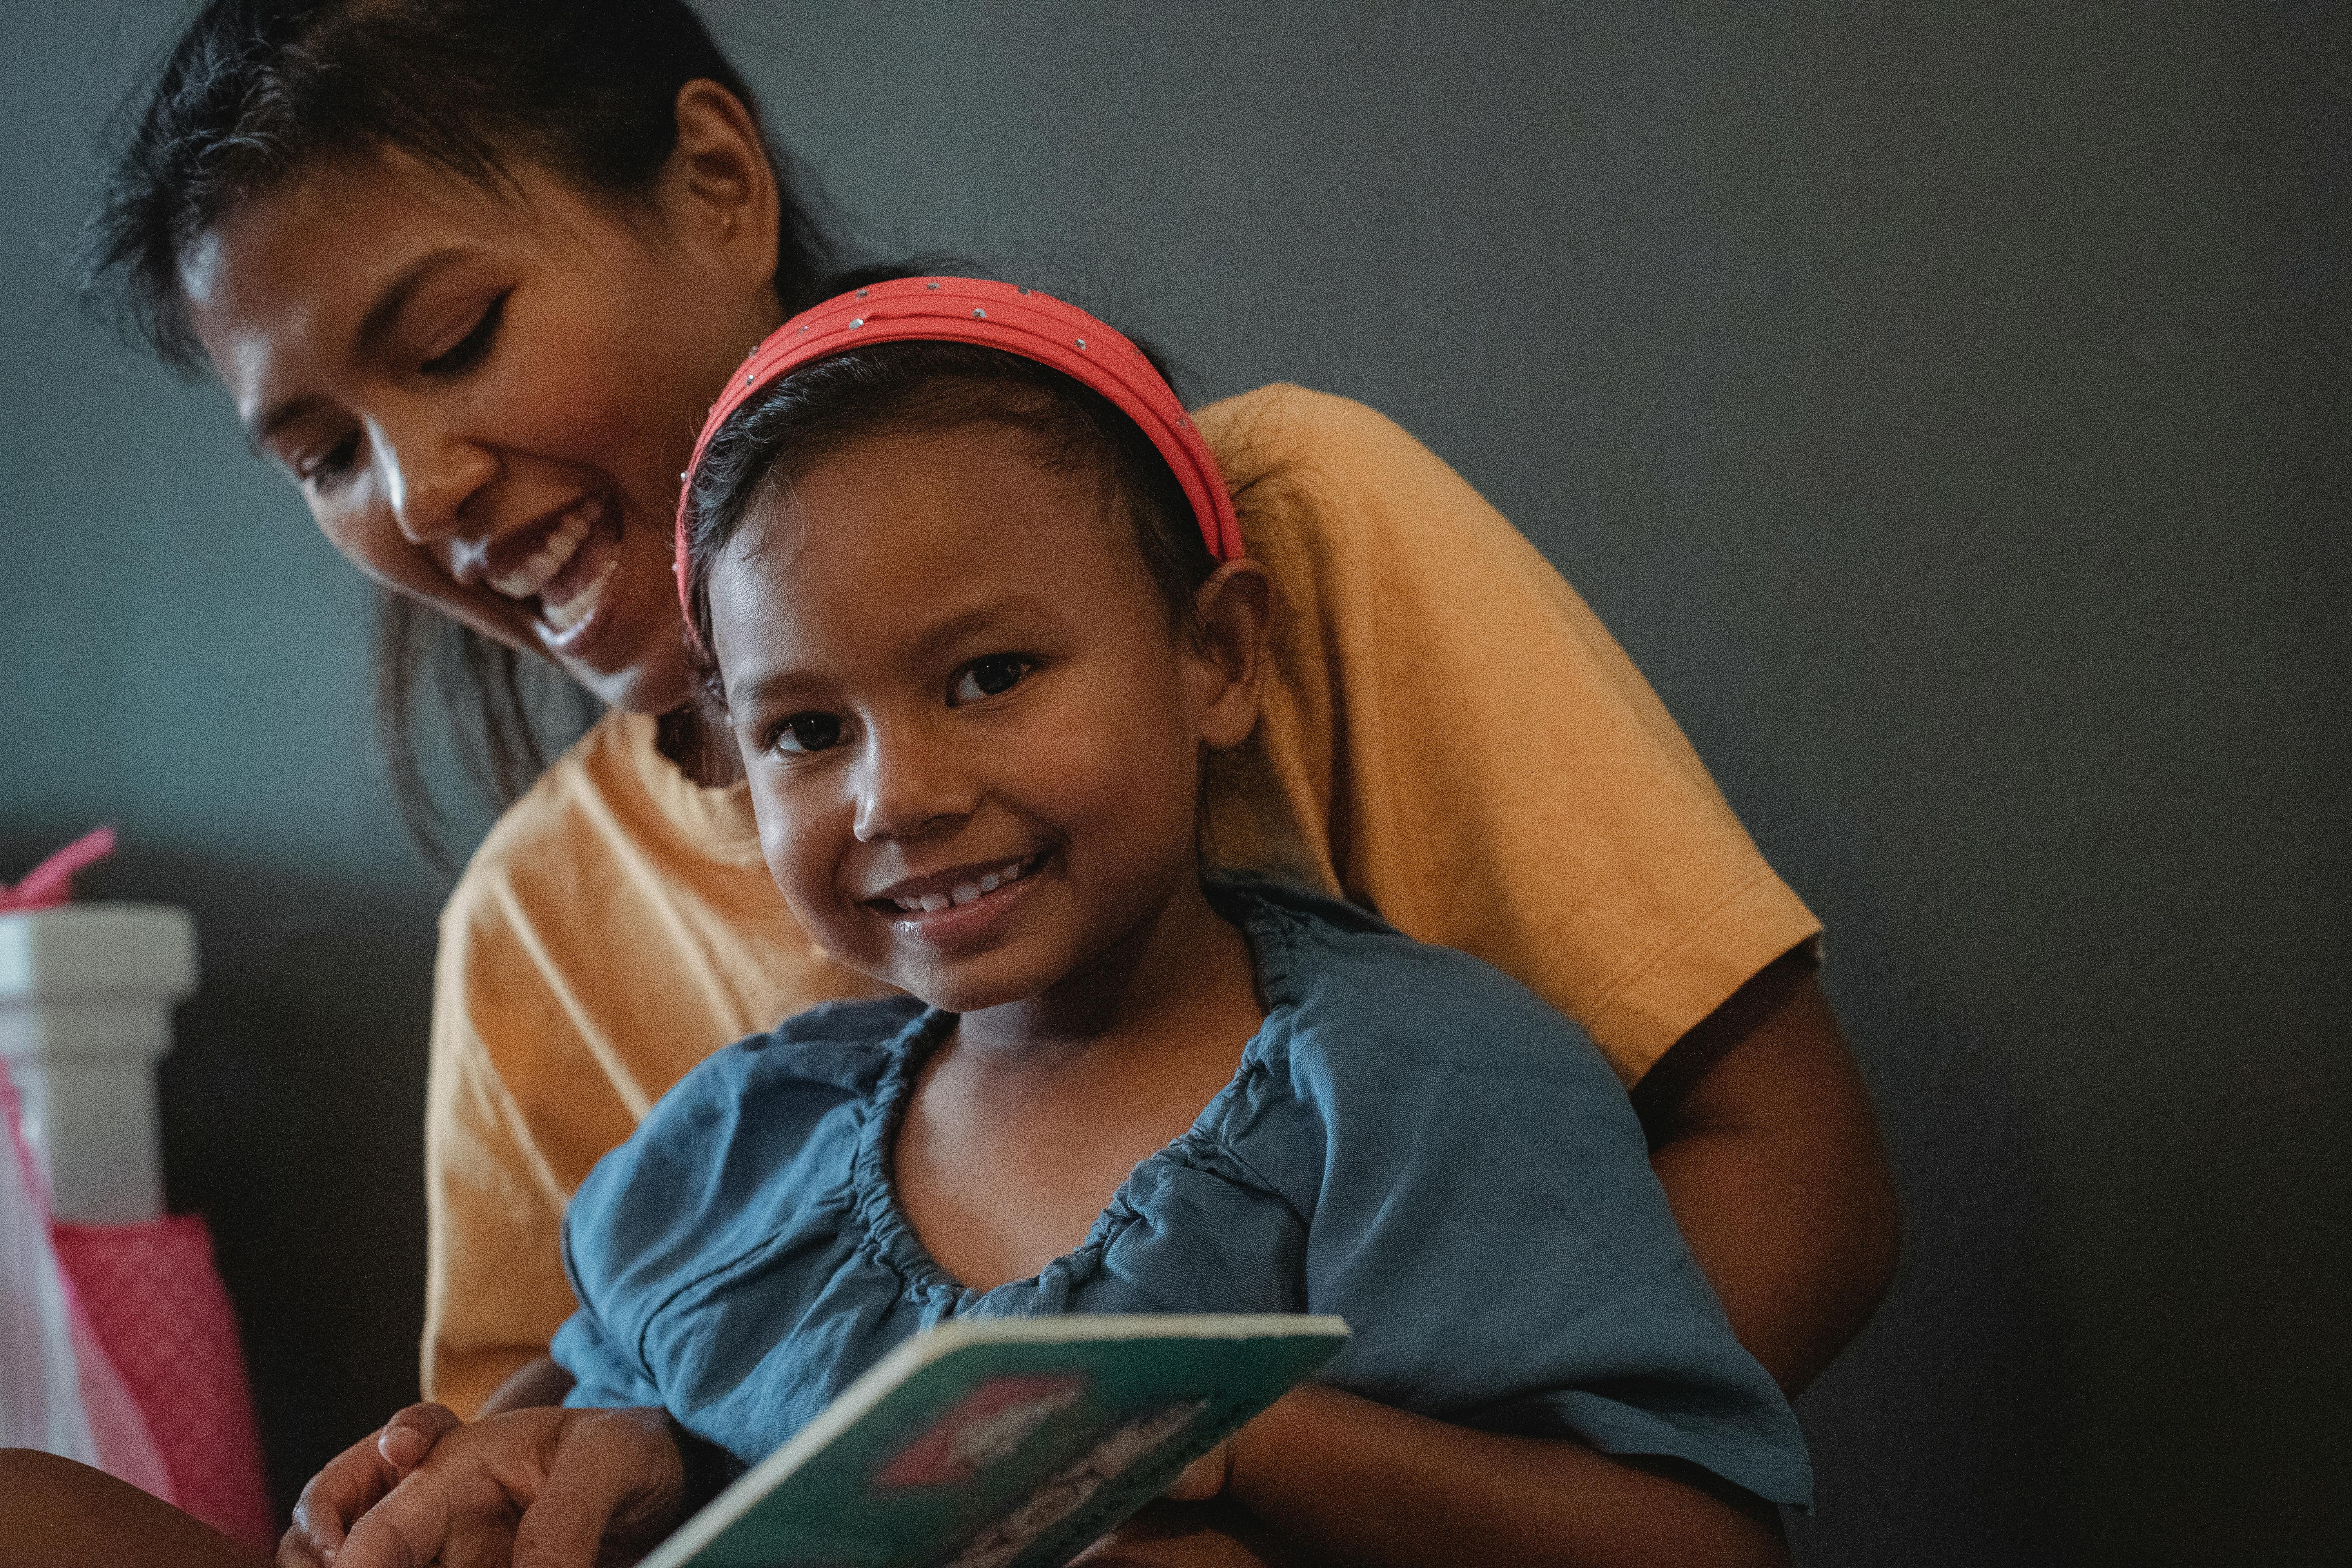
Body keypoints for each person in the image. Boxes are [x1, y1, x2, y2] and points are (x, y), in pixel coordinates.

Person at [70, 0, 1896, 1557]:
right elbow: (585, 1404)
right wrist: (524, 1461)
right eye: (320, 455)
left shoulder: (1280, 536)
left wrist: (1233, 1487)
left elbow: (1788, 1181)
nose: (419, 492)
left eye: (457, 338)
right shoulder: (535, 932)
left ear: (715, 186)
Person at [306, 275, 1813, 1568]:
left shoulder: (1413, 1087)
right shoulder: (735, 1152)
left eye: (991, 677)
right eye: (808, 732)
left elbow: (1692, 1537)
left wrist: (1236, 1436)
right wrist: (512, 1468)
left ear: (1217, 660)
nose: (894, 798)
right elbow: (573, 1421)